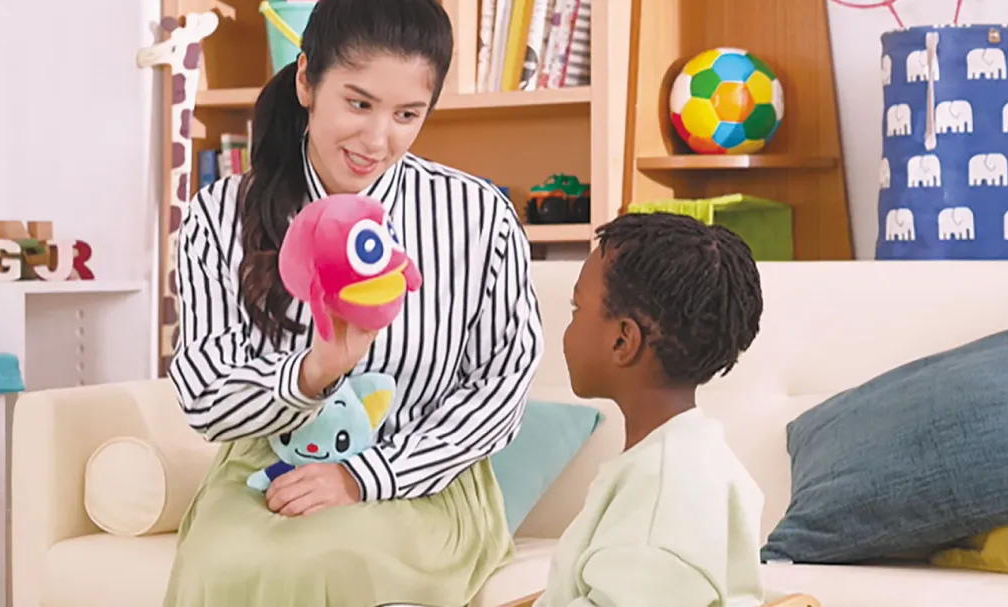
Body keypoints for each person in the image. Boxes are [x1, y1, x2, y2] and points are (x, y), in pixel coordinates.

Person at [162, 0, 544, 605]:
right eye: (359, 104)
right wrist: (311, 373)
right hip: (269, 469)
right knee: (225, 564)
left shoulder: (477, 216)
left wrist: (366, 476)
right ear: (306, 80)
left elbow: (501, 387)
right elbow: (205, 396)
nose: (377, 139)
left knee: (327, 560)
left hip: (425, 479)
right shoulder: (221, 215)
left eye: (407, 114)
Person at [531, 212, 767, 607]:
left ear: (623, 341)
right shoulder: (684, 459)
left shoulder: (664, 504)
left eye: (576, 309)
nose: (568, 328)